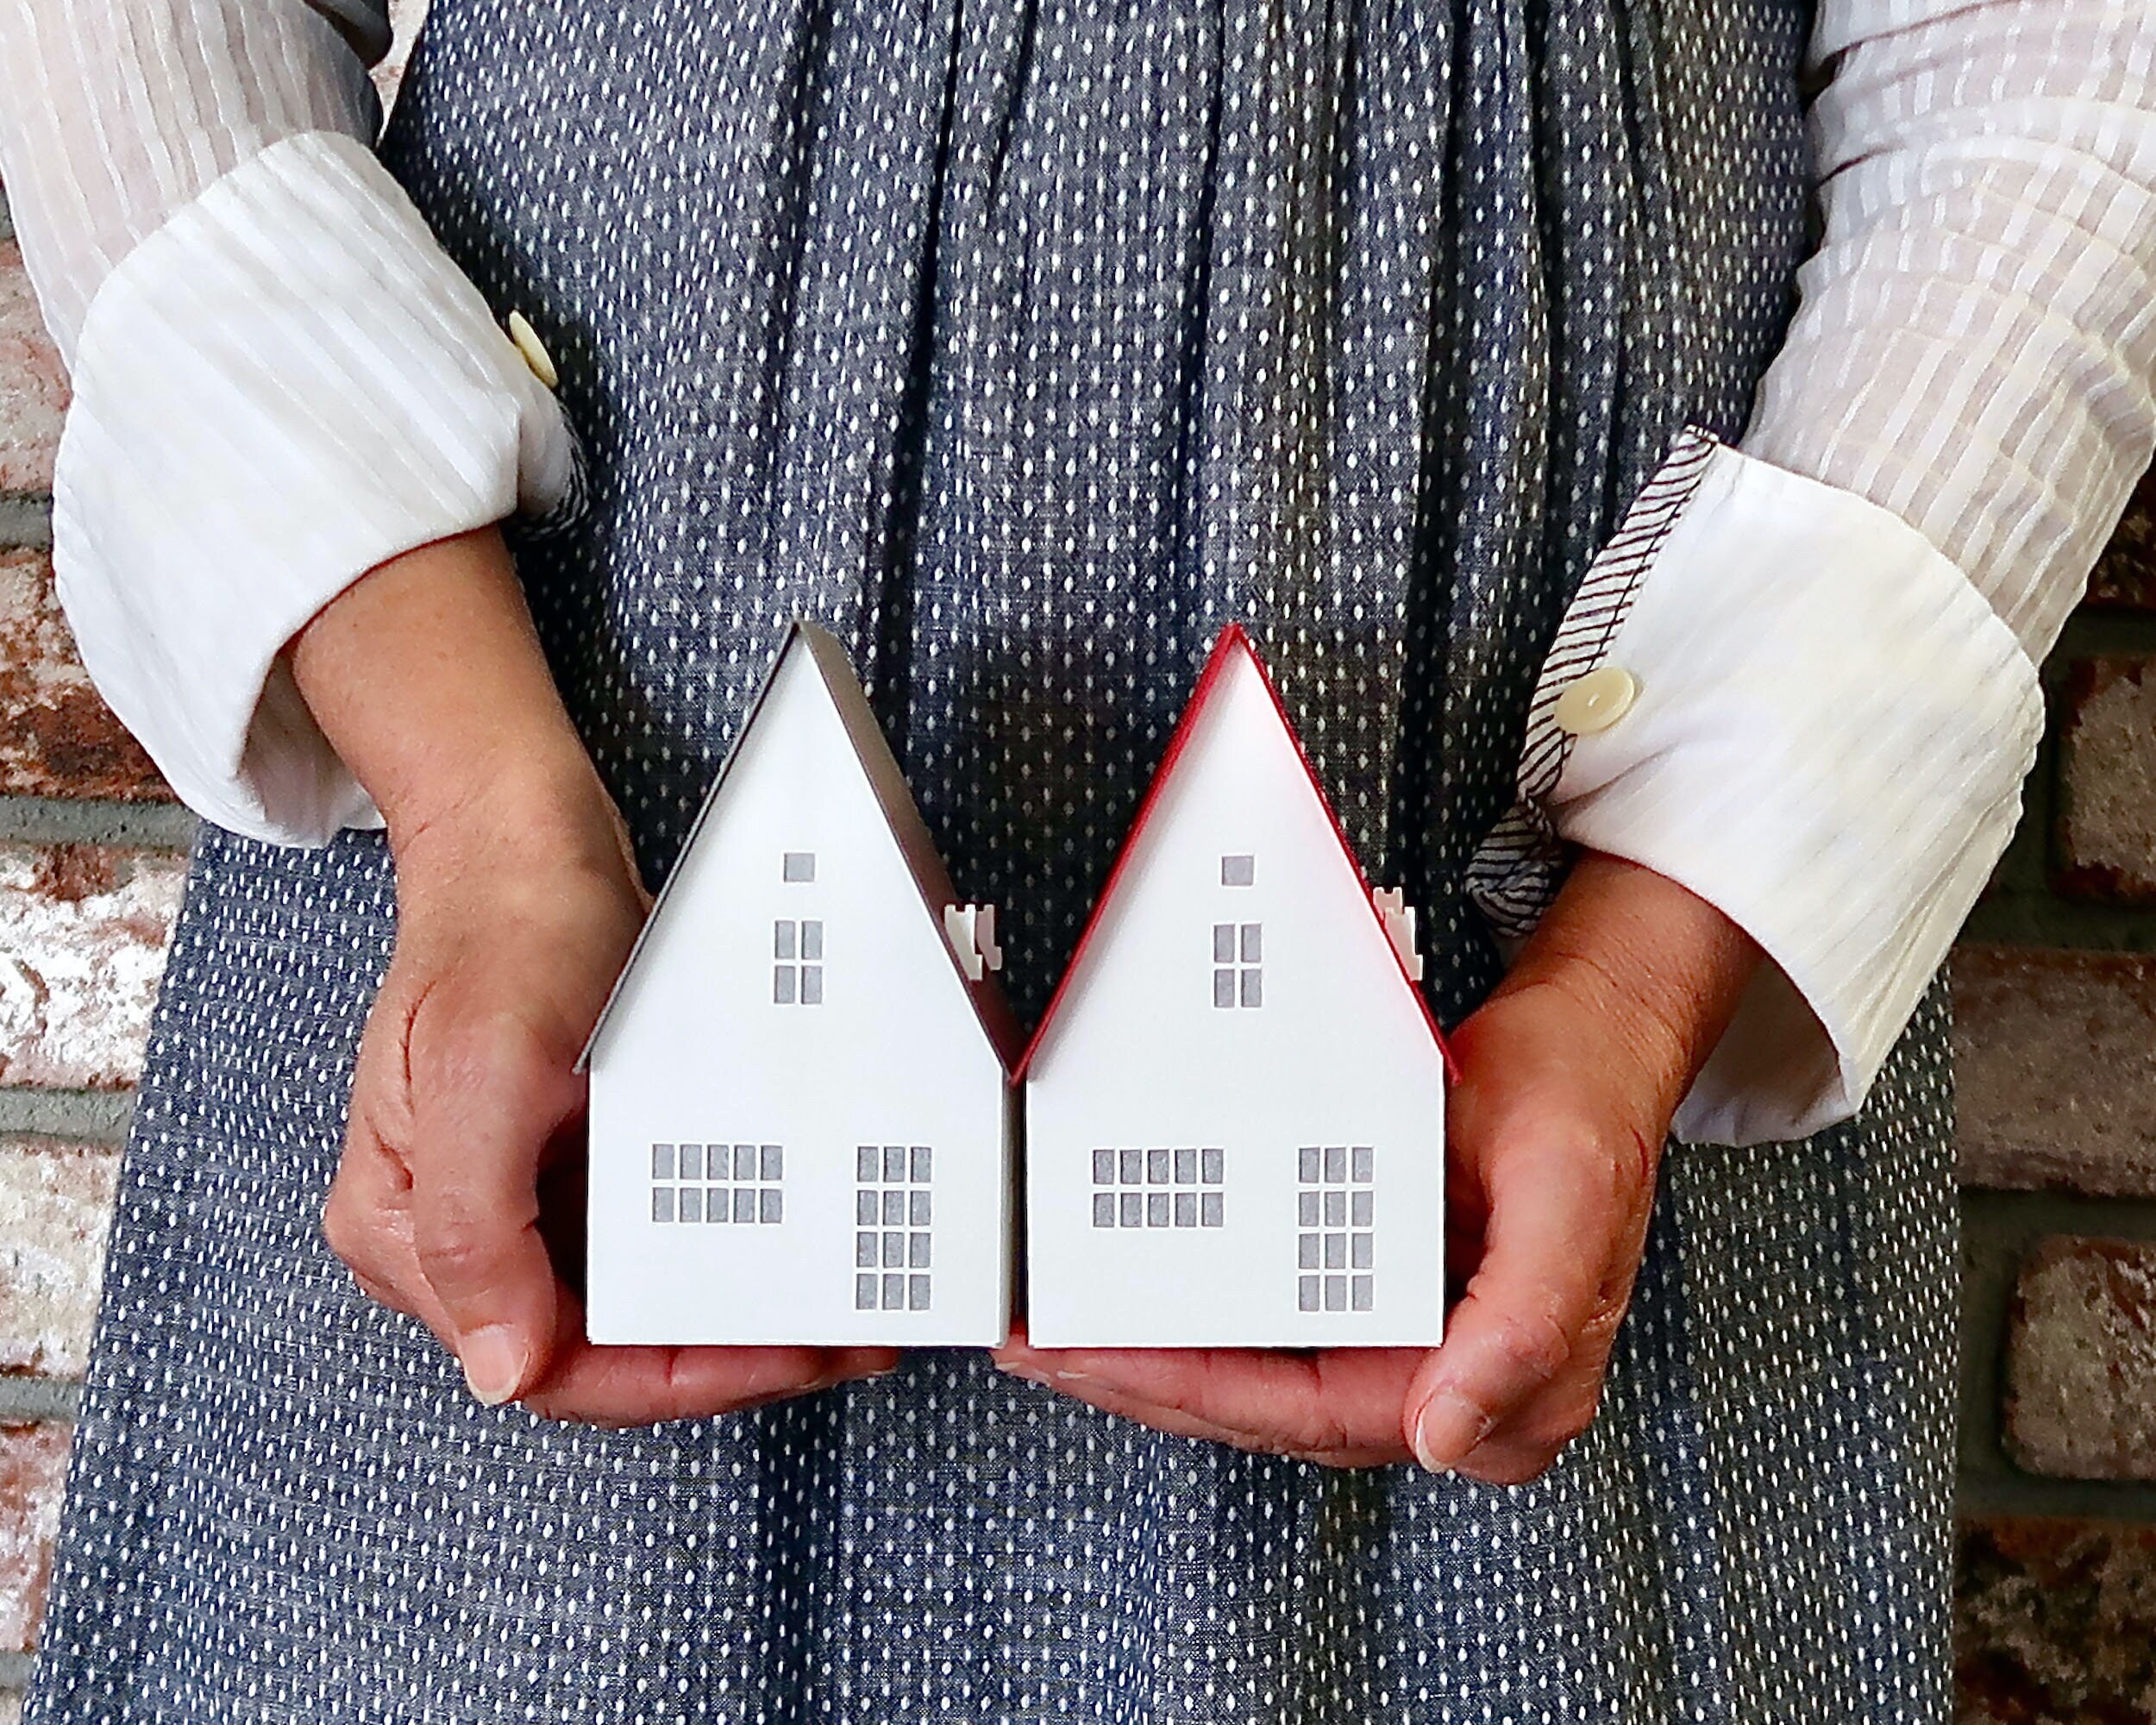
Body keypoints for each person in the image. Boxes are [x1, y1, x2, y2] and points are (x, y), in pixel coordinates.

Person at [0, 0, 2149, 1716]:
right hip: (541, 808)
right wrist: (481, 805)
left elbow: (2057, 82)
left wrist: (1639, 956)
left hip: (1562, 941)